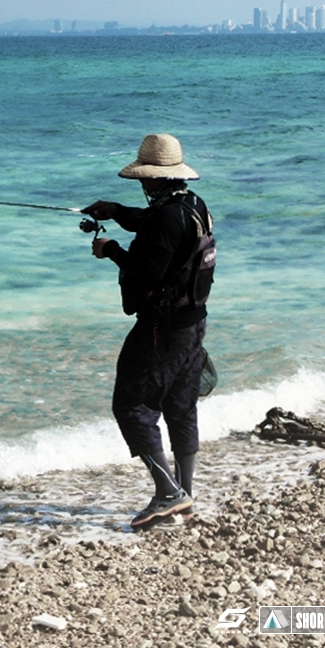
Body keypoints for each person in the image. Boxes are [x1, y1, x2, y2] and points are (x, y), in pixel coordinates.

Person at [82, 133, 214, 529]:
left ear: (155, 178)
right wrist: (114, 210)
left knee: (131, 407)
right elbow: (151, 223)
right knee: (180, 407)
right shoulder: (191, 205)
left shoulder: (168, 216)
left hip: (162, 330)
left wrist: (111, 250)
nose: (141, 185)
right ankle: (184, 496)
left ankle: (168, 493)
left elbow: (146, 272)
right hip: (192, 325)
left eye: (143, 179)